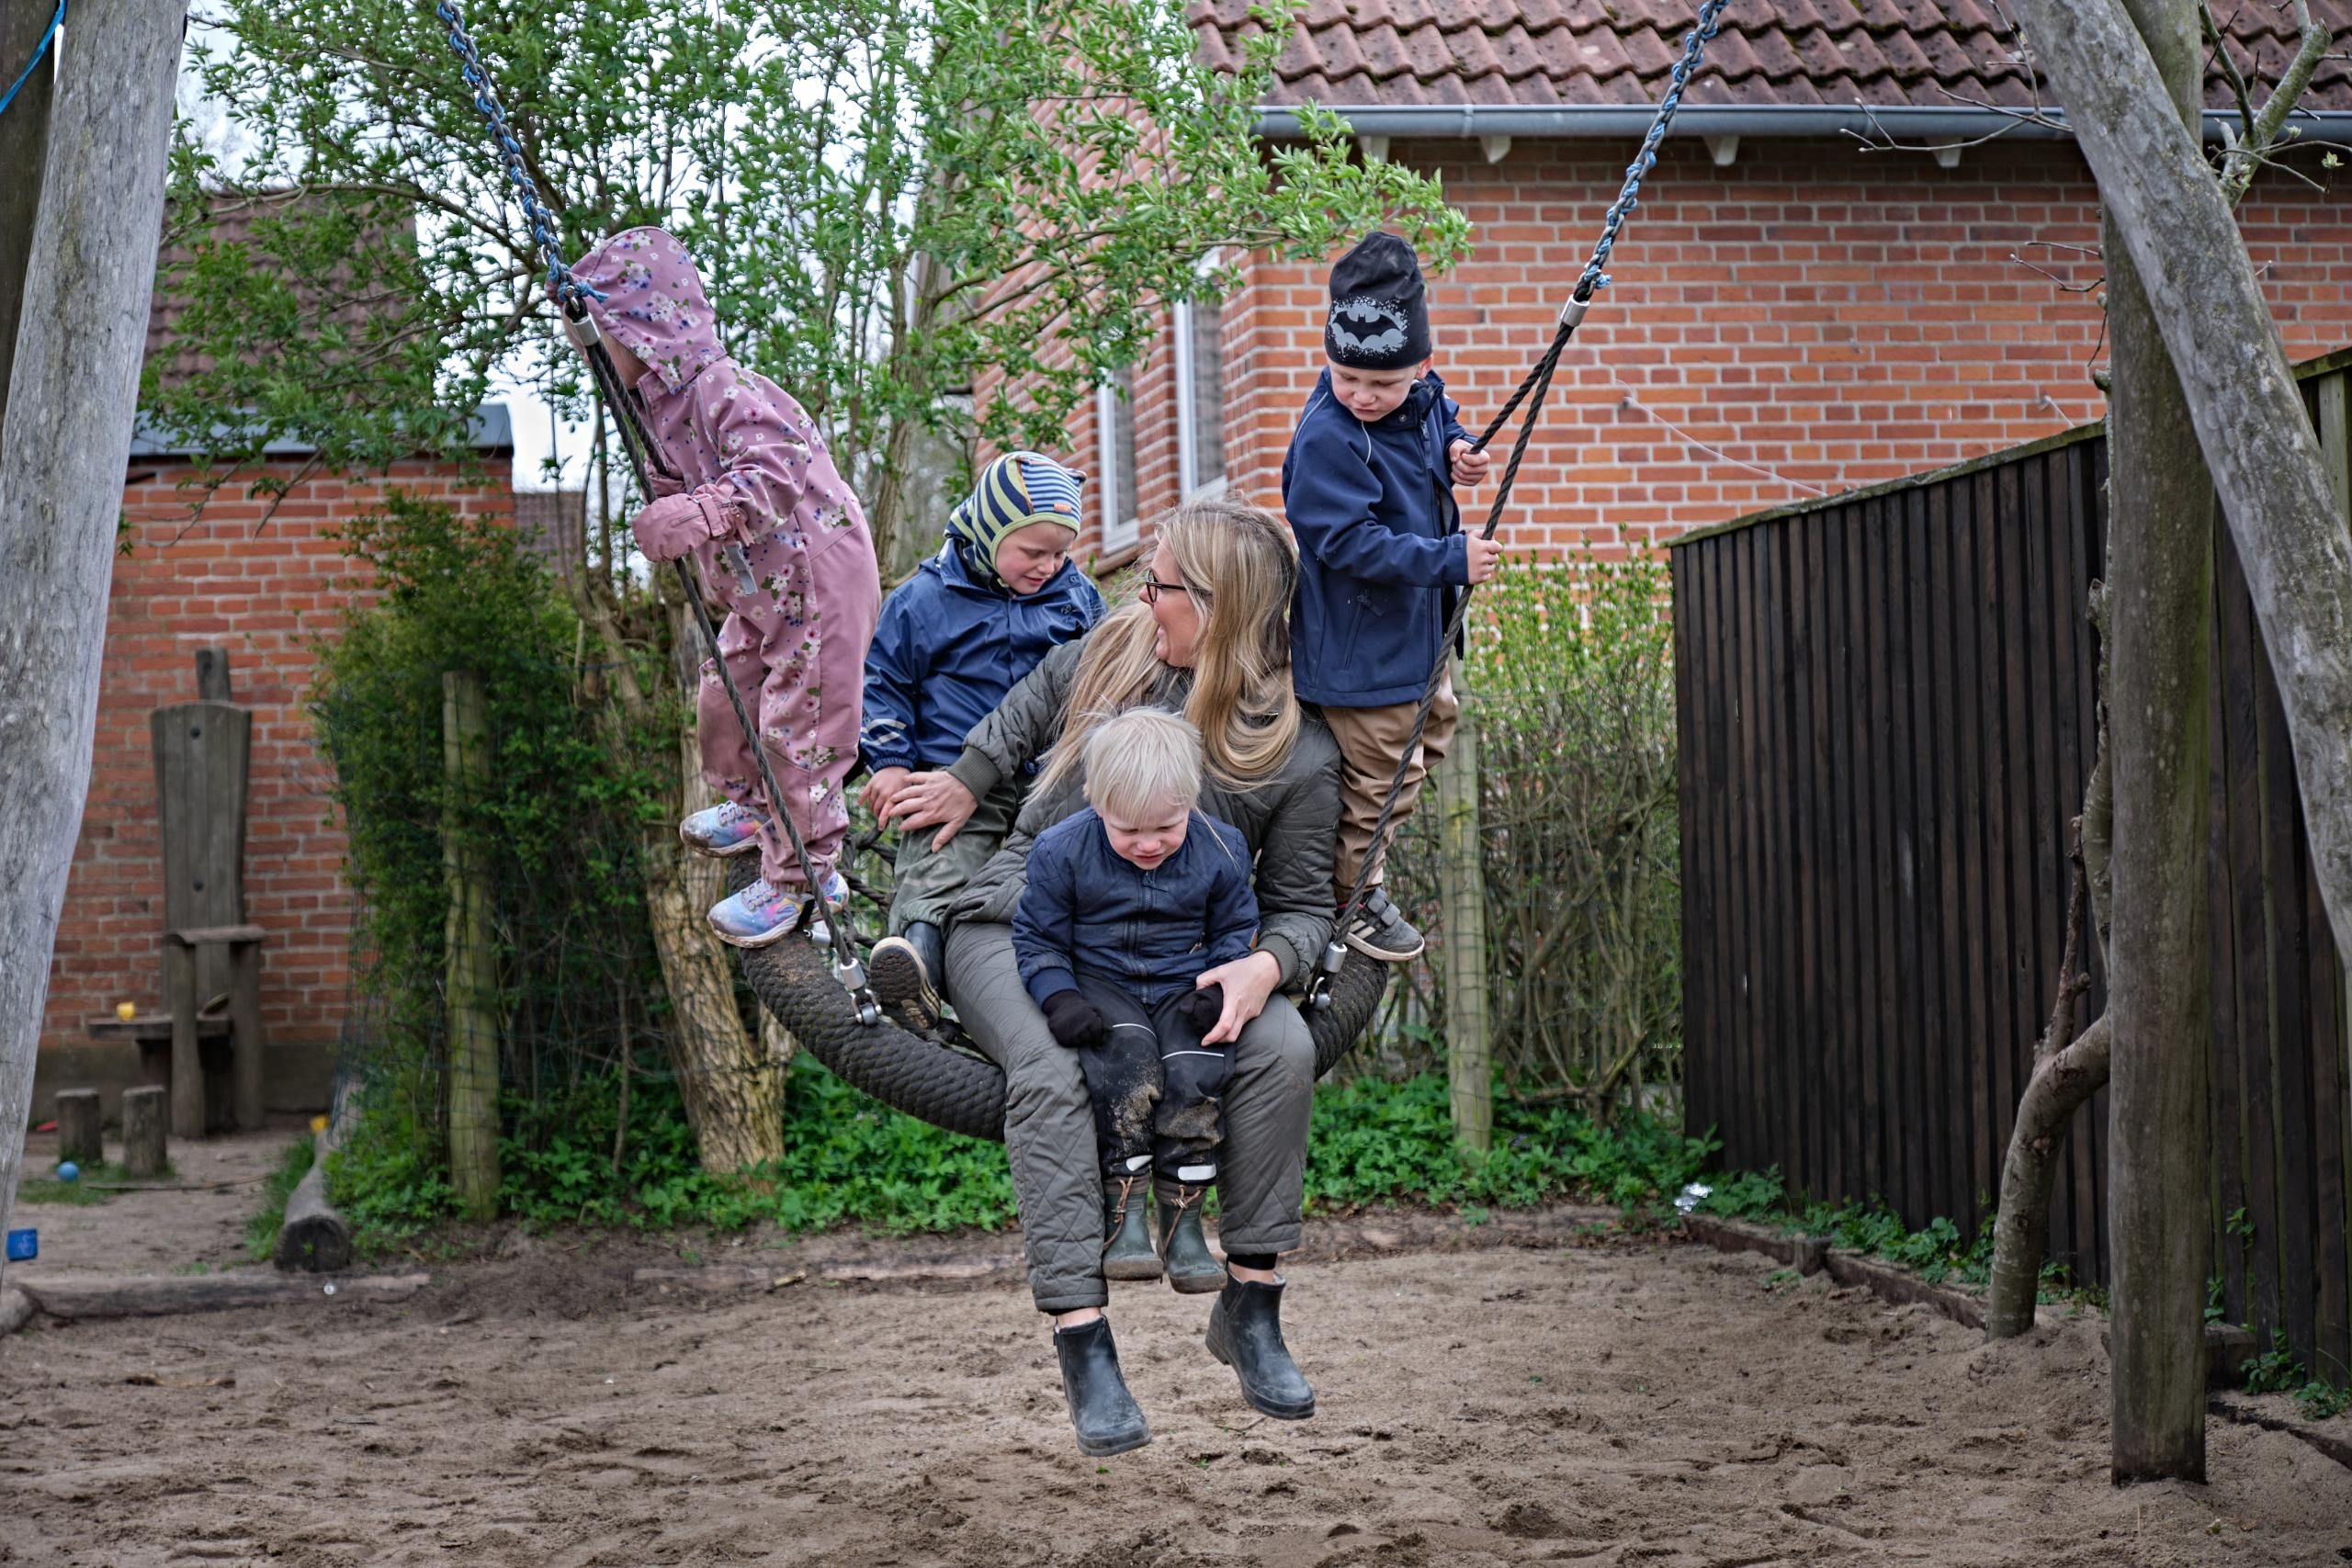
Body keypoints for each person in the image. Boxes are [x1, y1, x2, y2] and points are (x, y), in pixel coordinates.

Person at [884, 499, 1340, 1458]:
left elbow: (1303, 905)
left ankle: (1252, 1306)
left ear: (1215, 605)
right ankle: (1083, 1338)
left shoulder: (1290, 744)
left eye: (1160, 585)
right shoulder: (1112, 655)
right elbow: (1023, 708)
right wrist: (968, 776)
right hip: (1022, 925)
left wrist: (1267, 965)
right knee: (1053, 1069)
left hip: (1180, 959)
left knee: (1283, 1045)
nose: (1142, 598)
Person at [568, 226, 880, 946]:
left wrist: (700, 512)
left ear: (643, 329)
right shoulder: (656, 406)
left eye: (600, 339)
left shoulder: (722, 387)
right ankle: (757, 805)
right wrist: (673, 495)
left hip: (818, 583)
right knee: (723, 696)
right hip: (761, 591)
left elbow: (777, 464)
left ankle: (805, 874)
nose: (592, 357)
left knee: (801, 729)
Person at [1283, 231, 1502, 963]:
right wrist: (1449, 558)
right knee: (1380, 780)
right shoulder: (1329, 438)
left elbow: (1439, 413)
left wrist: (1459, 449)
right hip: (1360, 653)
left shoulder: (1420, 398)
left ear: (1421, 365)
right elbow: (1348, 543)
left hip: (1415, 639)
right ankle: (1349, 895)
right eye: (1347, 376)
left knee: (1431, 734)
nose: (1362, 395)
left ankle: (1357, 872)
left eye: (1382, 383)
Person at [1012, 708, 1258, 1289]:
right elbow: (1038, 938)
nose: (1148, 844)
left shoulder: (1222, 849)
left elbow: (1235, 928)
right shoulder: (1060, 850)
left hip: (1184, 985)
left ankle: (1183, 1227)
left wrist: (1221, 981)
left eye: (1166, 827)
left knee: (1195, 1074)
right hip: (1103, 985)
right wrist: (1060, 998)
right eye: (1128, 831)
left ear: (1191, 801)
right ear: (1096, 802)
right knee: (1125, 1068)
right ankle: (1124, 1219)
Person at [860, 452, 1105, 1030]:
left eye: (1061, 552)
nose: (1049, 565)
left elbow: (1104, 674)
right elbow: (884, 684)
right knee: (938, 863)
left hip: (1051, 777)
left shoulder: (1076, 598)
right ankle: (917, 964)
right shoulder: (923, 601)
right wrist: (890, 762)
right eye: (1033, 551)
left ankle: (1078, 979)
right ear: (989, 534)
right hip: (955, 776)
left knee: (1078, 871)